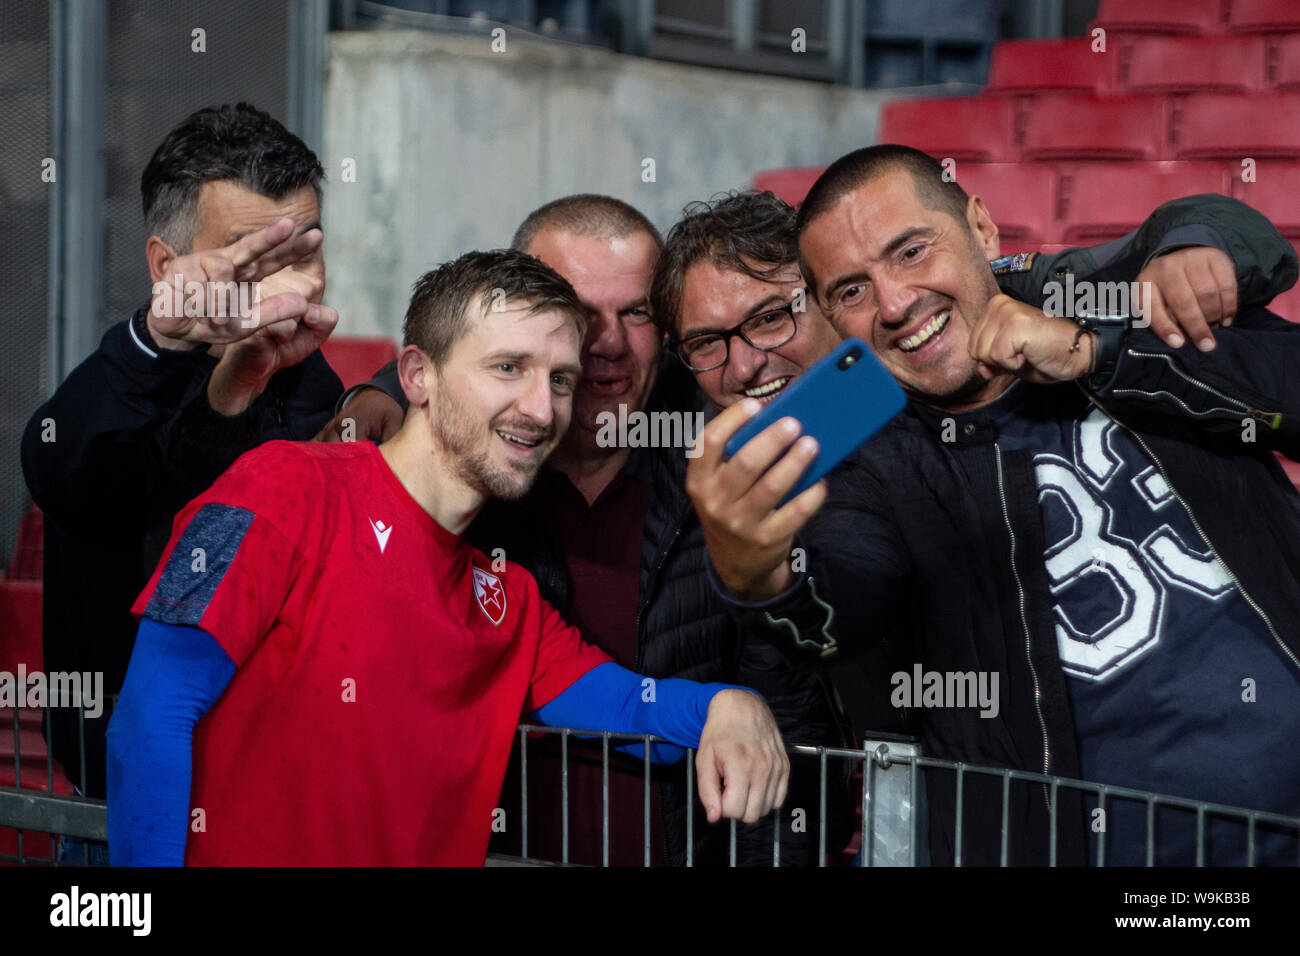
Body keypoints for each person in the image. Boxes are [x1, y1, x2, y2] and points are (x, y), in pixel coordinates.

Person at [684, 146, 1300, 865]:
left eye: (912, 251)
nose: (895, 303)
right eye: (851, 291)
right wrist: (759, 576)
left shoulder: (1102, 305)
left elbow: (1254, 324)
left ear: (981, 228)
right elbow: (840, 609)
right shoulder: (866, 465)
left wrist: (1097, 354)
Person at [105, 249, 789, 866]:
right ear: (417, 375)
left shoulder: (508, 600)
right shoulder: (284, 487)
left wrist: (727, 705)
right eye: (507, 368)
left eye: (560, 380)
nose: (541, 408)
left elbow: (631, 705)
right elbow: (152, 716)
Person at [319, 195, 846, 866]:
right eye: (576, 312)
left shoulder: (730, 471)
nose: (607, 343)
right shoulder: (464, 486)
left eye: (638, 313)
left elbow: (788, 735)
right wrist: (383, 392)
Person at [20, 103, 341, 813]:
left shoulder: (317, 387)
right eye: (252, 256)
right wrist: (160, 343)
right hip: (128, 815)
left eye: (303, 252)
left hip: (282, 807)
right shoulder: (124, 385)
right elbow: (72, 475)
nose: (287, 282)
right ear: (169, 266)